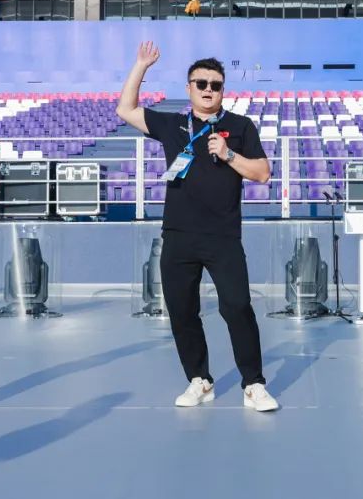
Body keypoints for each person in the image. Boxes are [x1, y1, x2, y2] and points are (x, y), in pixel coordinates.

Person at [116, 42, 278, 411]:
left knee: (237, 307)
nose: (208, 89)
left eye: (215, 85)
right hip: (178, 235)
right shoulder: (172, 124)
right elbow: (125, 109)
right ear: (189, 87)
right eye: (201, 83)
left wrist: (229, 154)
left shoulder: (240, 126)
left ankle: (253, 384)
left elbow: (263, 173)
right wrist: (141, 65)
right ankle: (199, 380)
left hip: (223, 237)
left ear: (223, 90)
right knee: (182, 310)